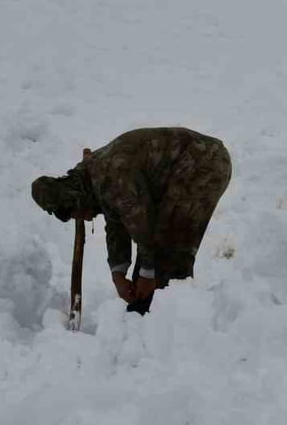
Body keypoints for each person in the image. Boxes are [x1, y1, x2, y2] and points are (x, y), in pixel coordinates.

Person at [31, 127, 232, 314]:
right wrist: (118, 274)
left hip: (203, 162)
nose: (83, 218)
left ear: (75, 197)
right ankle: (143, 320)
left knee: (170, 249)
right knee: (157, 256)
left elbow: (142, 224)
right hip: (189, 167)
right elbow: (117, 222)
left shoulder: (110, 174)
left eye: (75, 213)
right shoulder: (93, 178)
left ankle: (171, 323)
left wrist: (147, 275)